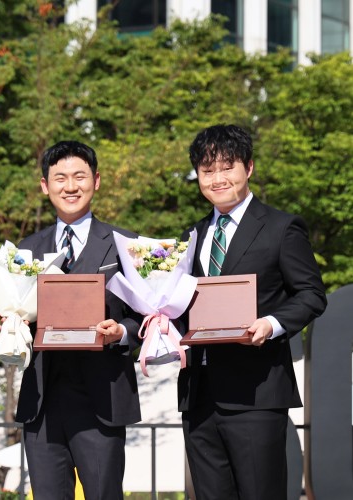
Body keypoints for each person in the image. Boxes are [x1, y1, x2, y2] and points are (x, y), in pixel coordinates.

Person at [178, 124, 327, 499]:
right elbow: (180, 304)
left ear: (249, 167)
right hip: (199, 396)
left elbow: (311, 294)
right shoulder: (191, 236)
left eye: (227, 167)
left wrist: (271, 324)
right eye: (207, 170)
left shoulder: (281, 227)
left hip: (256, 394)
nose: (217, 179)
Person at [16, 140, 141, 500]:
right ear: (45, 185)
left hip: (102, 397)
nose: (70, 186)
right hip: (42, 399)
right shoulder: (25, 250)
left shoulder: (125, 244)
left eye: (79, 176)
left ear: (96, 181)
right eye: (60, 178)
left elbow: (146, 314)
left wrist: (122, 331)